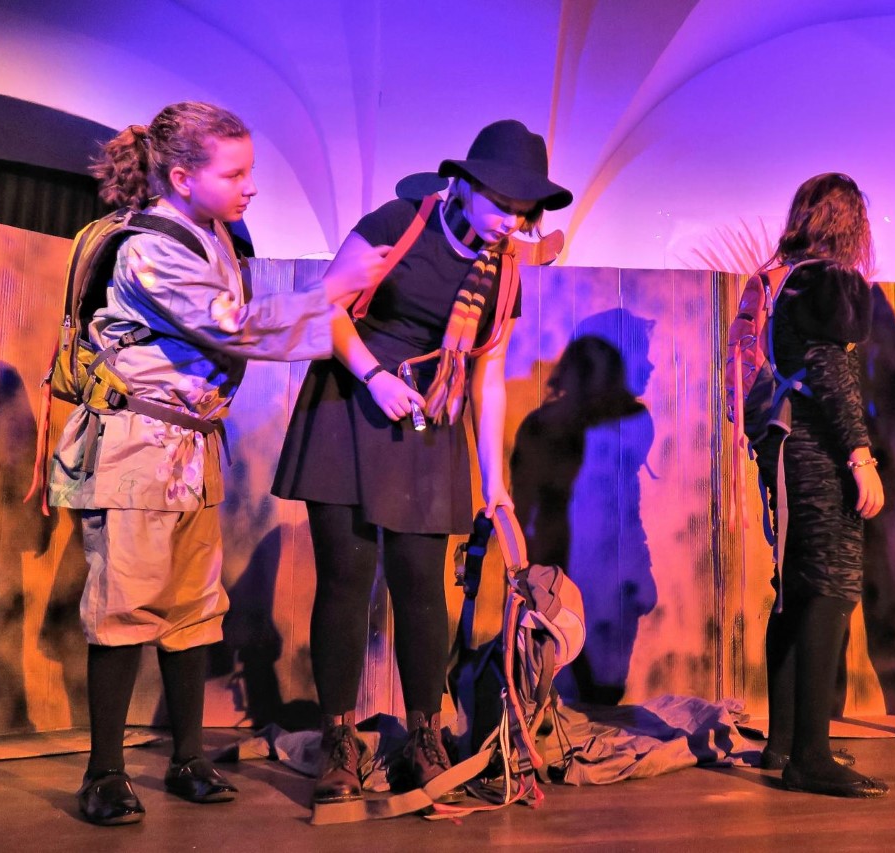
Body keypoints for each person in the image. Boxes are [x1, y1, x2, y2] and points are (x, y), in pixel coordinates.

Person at [49, 101, 387, 826]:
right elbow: (231, 327)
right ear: (181, 176)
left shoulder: (213, 238)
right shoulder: (149, 248)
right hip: (137, 444)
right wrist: (333, 286)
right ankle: (103, 772)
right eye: (234, 173)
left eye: (248, 171)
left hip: (189, 446)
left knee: (192, 608)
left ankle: (187, 758)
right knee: (124, 608)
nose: (249, 186)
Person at [272, 120, 571, 806]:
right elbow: (329, 306)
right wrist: (375, 376)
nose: (511, 222)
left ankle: (424, 737)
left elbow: (487, 375)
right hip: (350, 401)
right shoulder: (397, 222)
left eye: (523, 212)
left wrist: (496, 483)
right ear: (463, 185)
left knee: (421, 583)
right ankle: (340, 740)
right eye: (501, 204)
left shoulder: (503, 271)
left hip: (429, 418)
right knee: (345, 577)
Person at [753, 173, 889, 797]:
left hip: (786, 447)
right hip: (817, 450)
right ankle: (810, 755)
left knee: (798, 591)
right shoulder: (829, 280)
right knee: (831, 587)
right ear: (850, 223)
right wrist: (860, 455)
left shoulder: (785, 279)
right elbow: (830, 374)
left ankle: (783, 744)